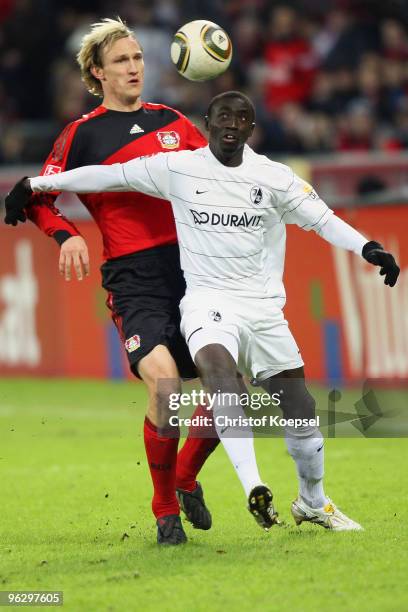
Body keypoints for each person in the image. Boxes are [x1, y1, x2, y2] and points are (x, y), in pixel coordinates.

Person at [5, 91, 400, 531]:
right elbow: (110, 174)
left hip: (263, 309)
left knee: (300, 408)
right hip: (205, 303)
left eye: (242, 117)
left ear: (252, 128)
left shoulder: (274, 178)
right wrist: (37, 186)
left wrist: (367, 246)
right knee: (216, 381)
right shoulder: (178, 168)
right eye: (223, 116)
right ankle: (247, 488)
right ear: (206, 124)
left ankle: (312, 501)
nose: (232, 124)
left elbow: (323, 218)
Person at [3, 17, 222, 546]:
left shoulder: (173, 121)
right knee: (167, 387)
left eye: (138, 59)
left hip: (194, 270)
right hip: (135, 277)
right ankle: (165, 504)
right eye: (121, 61)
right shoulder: (82, 134)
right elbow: (37, 196)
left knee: (227, 389)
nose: (133, 68)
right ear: (97, 73)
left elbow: (218, 176)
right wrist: (66, 237)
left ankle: (188, 474)